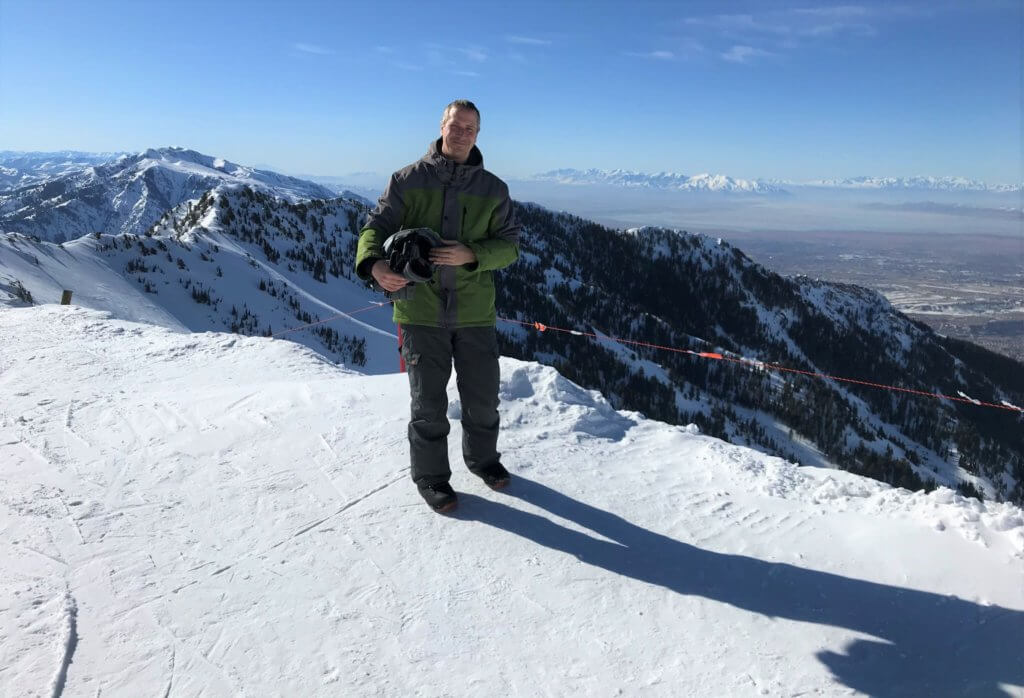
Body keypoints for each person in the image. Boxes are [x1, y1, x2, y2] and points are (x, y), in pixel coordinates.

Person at [355, 99, 521, 513]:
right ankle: (431, 477)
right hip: (420, 310)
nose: (462, 133)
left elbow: (510, 247)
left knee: (482, 398)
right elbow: (375, 228)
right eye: (455, 125)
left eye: (470, 128)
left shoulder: (494, 189)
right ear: (442, 126)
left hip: (474, 312)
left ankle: (483, 460)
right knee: (428, 403)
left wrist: (472, 254)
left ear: (478, 134)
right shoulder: (407, 180)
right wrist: (373, 264)